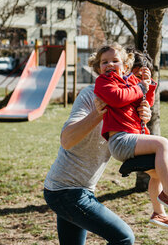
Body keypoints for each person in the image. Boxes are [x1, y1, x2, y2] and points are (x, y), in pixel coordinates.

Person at [43, 50, 152, 245]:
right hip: (65, 190)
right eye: (105, 62)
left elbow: (133, 148)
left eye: (139, 80)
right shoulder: (90, 95)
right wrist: (98, 113)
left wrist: (144, 121)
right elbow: (66, 140)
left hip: (83, 188)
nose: (135, 83)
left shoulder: (128, 107)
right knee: (124, 237)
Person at [93, 44, 168, 231]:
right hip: (121, 140)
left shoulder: (130, 81)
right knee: (162, 143)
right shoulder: (104, 83)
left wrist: (149, 85)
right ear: (99, 67)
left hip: (134, 137)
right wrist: (140, 86)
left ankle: (159, 213)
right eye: (104, 62)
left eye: (115, 61)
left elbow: (145, 102)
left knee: (159, 173)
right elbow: (118, 98)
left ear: (125, 65)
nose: (109, 64)